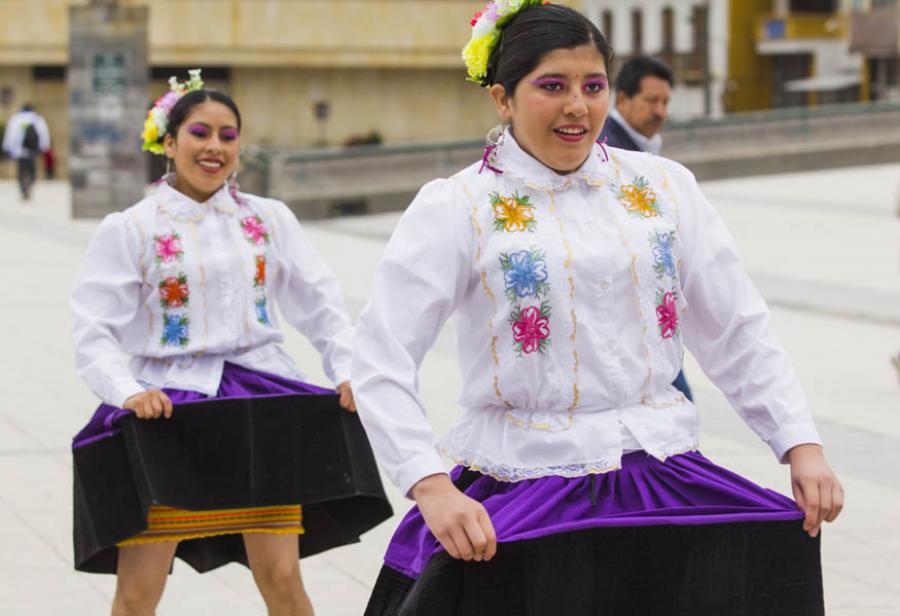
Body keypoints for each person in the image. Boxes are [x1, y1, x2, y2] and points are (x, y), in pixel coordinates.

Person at [353, 3, 843, 614]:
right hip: (527, 484)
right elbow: (380, 355)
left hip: (659, 475)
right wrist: (428, 486)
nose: (577, 107)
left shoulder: (663, 188)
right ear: (502, 98)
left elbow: (736, 326)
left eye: (593, 86)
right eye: (551, 87)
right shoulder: (458, 206)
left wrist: (801, 445)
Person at [71, 70, 390, 616]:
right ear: (169, 143)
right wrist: (127, 391)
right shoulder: (132, 228)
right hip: (169, 412)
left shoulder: (269, 220)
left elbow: (322, 306)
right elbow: (92, 328)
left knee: (283, 578)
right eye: (199, 133)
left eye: (228, 134)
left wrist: (346, 370)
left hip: (259, 409)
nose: (214, 147)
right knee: (139, 590)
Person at [600, 56, 696, 401]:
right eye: (651, 101)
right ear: (622, 100)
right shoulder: (612, 151)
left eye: (665, 102)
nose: (660, 111)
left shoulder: (634, 145)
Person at [1, 103, 50, 200]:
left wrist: (7, 147)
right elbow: (44, 134)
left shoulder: (15, 119)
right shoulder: (38, 119)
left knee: (21, 169)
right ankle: (29, 185)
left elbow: (10, 135)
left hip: (19, 151)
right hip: (33, 150)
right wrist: (44, 147)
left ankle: (23, 188)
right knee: (32, 169)